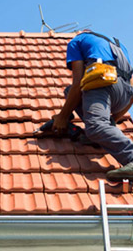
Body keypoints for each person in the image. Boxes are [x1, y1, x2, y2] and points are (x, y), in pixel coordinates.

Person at [52, 30, 133, 181]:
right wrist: (112, 120)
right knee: (69, 92)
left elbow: (77, 84)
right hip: (124, 94)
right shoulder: (117, 44)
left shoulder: (76, 41)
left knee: (95, 126)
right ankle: (101, 135)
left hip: (103, 82)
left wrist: (62, 117)